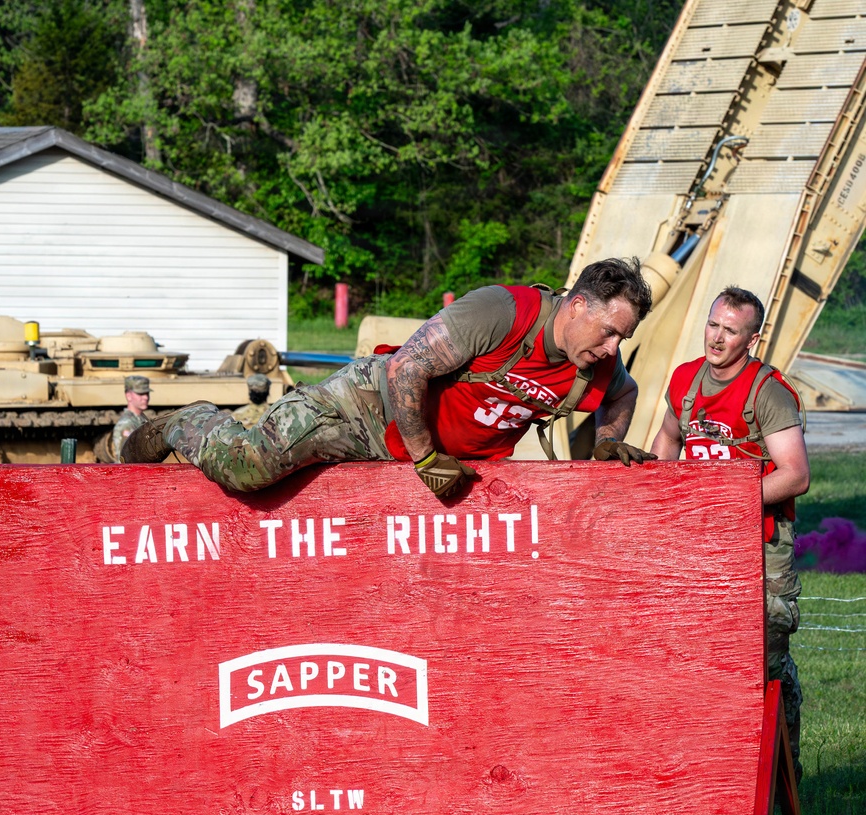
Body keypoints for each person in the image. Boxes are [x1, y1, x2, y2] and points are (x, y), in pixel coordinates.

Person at [122, 256, 656, 494]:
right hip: (364, 410)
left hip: (429, 462)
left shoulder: (598, 362)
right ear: (578, 305)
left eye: (622, 340)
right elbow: (407, 367)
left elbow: (624, 394)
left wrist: (608, 443)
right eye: (608, 331)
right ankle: (185, 424)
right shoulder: (502, 312)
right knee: (248, 469)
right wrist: (426, 457)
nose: (612, 349)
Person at [650, 286, 809, 783]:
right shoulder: (684, 379)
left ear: (752, 338)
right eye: (713, 325)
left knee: (763, 660)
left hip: (759, 540)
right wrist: (651, 490)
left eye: (731, 330)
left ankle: (781, 777)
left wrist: (724, 503)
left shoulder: (768, 392)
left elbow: (796, 474)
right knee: (694, 657)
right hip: (697, 541)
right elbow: (669, 440)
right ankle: (712, 774)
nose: (717, 338)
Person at [111, 375, 153, 461]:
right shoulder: (126, 425)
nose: (146, 397)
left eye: (147, 393)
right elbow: (124, 461)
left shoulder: (142, 420)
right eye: (140, 394)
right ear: (128, 396)